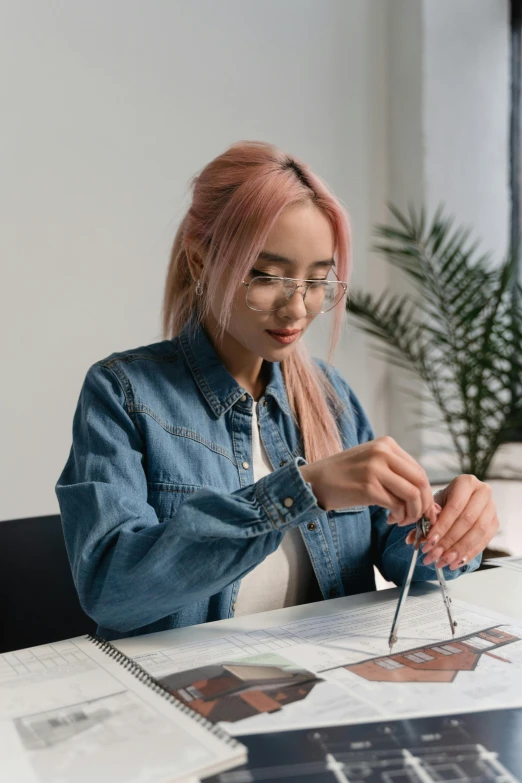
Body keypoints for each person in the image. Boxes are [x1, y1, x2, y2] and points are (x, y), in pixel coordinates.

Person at [56, 140, 499, 641]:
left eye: (317, 281)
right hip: (183, 698)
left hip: (323, 691)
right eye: (268, 276)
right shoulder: (124, 394)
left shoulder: (331, 398)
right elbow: (112, 589)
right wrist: (301, 492)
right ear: (201, 262)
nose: (297, 309)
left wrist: (448, 530)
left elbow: (401, 558)